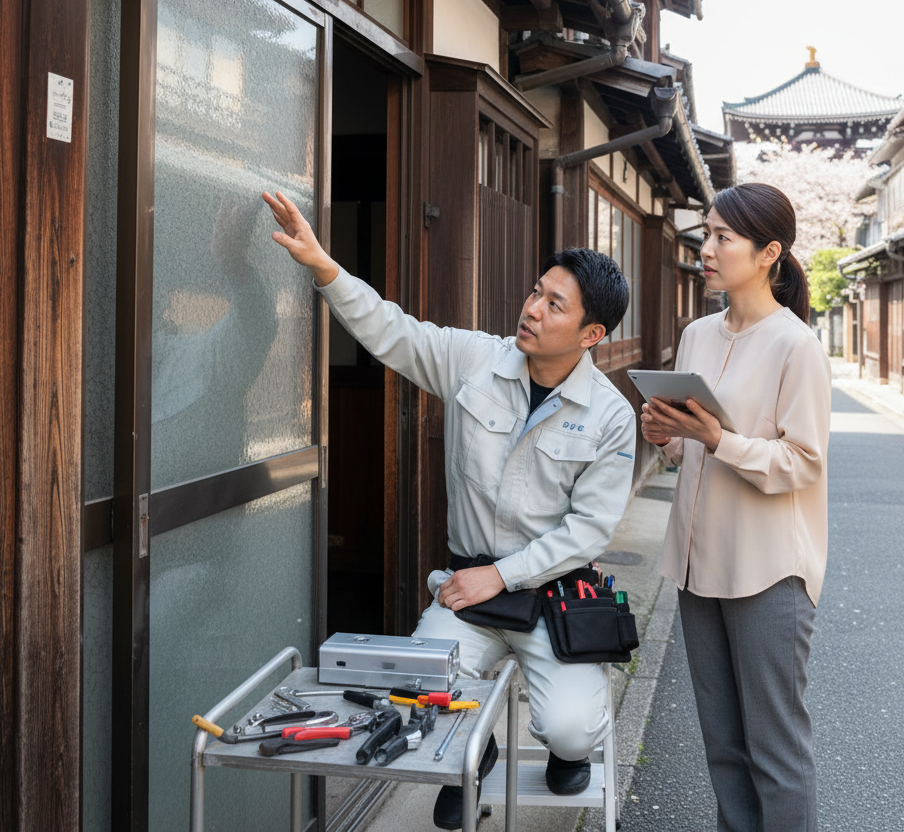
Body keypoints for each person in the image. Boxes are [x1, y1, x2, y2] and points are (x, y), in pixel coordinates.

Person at [262, 190, 636, 829]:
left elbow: (590, 529)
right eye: (535, 292)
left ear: (591, 333)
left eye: (554, 304)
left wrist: (504, 574)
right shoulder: (476, 361)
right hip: (467, 589)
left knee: (571, 732)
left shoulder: (610, 416)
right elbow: (392, 330)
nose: (532, 309)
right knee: (410, 699)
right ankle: (475, 749)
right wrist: (323, 264)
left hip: (557, 595)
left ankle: (563, 745)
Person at [640, 182, 830, 832]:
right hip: (699, 569)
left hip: (768, 573)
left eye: (724, 237)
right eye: (708, 233)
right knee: (722, 749)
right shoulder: (696, 334)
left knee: (775, 754)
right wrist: (666, 437)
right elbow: (686, 454)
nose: (707, 247)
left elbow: (802, 462)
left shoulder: (795, 345)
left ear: (769, 252)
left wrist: (718, 440)